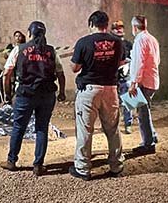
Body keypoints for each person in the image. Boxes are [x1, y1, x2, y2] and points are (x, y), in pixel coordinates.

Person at [1, 21, 66, 175]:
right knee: (42, 128)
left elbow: (6, 74)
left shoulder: (19, 49)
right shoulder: (51, 51)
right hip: (47, 94)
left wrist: (7, 94)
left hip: (25, 94)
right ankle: (38, 165)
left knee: (19, 127)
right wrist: (62, 92)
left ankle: (12, 161)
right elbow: (60, 74)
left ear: (29, 33)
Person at [69, 10, 125, 180]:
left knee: (85, 129)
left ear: (91, 24)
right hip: (111, 89)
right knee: (113, 129)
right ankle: (116, 166)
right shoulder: (118, 42)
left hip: (89, 90)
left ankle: (83, 168)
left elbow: (74, 68)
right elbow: (121, 62)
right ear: (106, 24)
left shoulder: (84, 42)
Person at [128, 15, 161, 155]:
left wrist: (134, 83)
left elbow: (138, 63)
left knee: (142, 113)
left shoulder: (140, 40)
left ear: (134, 27)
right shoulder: (152, 39)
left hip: (143, 82)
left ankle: (148, 144)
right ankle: (152, 135)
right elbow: (157, 60)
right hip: (152, 80)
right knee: (145, 110)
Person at [111, 19, 134, 134]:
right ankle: (112, 125)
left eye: (120, 27)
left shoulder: (129, 44)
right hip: (113, 78)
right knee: (111, 103)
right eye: (116, 28)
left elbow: (134, 59)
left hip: (126, 77)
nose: (119, 30)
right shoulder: (110, 44)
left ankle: (128, 124)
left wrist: (128, 65)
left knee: (128, 101)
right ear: (112, 30)